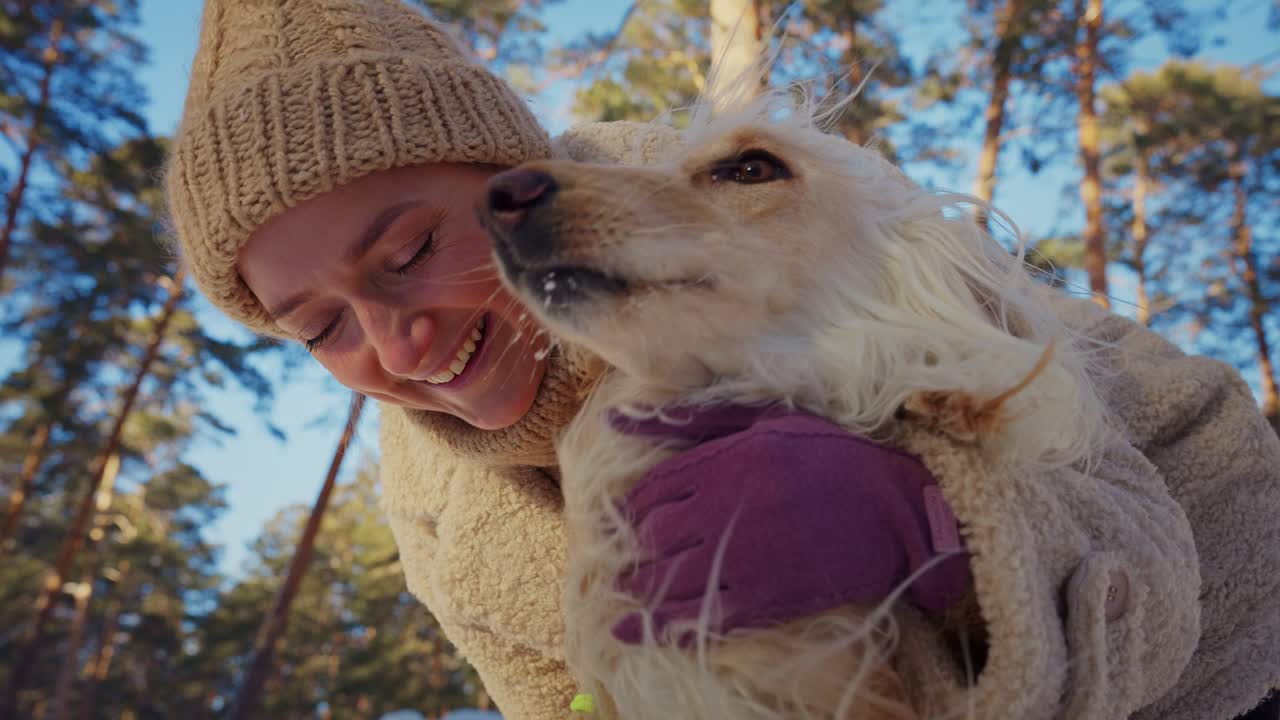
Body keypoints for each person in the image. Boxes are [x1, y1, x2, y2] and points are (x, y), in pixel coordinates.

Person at [163, 1, 1280, 718]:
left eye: (412, 249)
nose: (396, 342)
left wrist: (948, 535)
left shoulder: (823, 228)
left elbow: (1217, 497)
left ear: (514, 179)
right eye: (316, 328)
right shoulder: (444, 528)